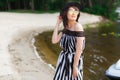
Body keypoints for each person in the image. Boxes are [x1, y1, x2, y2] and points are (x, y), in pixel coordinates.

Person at [52, 2, 85, 80]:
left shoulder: (78, 26)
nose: (73, 13)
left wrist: (75, 66)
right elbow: (54, 41)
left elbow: (79, 49)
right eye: (71, 11)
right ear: (65, 13)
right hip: (63, 60)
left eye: (76, 11)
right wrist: (57, 23)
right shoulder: (66, 27)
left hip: (74, 60)